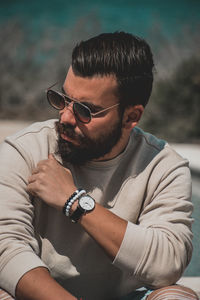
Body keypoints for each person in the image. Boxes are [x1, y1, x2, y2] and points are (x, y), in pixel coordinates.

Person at [0, 32, 198, 300]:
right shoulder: (26, 150)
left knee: (177, 296)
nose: (66, 117)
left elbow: (167, 265)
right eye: (63, 99)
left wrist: (75, 202)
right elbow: (6, 249)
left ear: (131, 116)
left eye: (85, 110)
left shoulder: (163, 166)